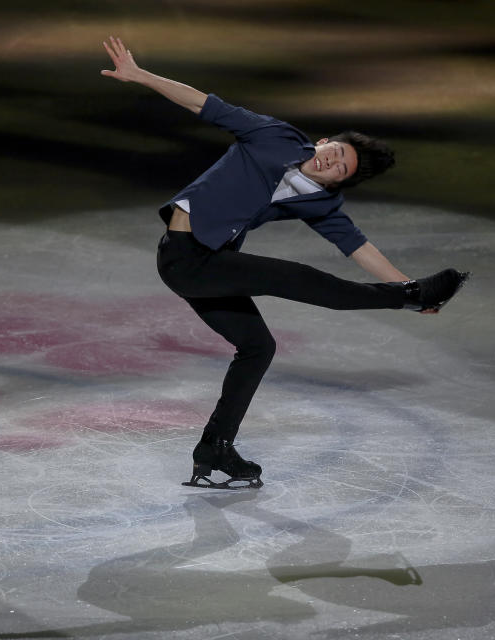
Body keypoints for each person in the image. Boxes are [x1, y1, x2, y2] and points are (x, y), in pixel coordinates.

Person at [102, 36, 468, 489]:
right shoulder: (273, 135)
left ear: (340, 183)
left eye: (342, 169)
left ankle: (214, 448)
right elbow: (206, 105)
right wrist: (140, 75)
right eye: (335, 151)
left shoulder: (321, 203)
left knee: (258, 347)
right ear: (323, 141)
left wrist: (405, 280)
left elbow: (358, 248)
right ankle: (406, 299)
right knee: (292, 277)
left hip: (213, 265)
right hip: (185, 257)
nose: (333, 161)